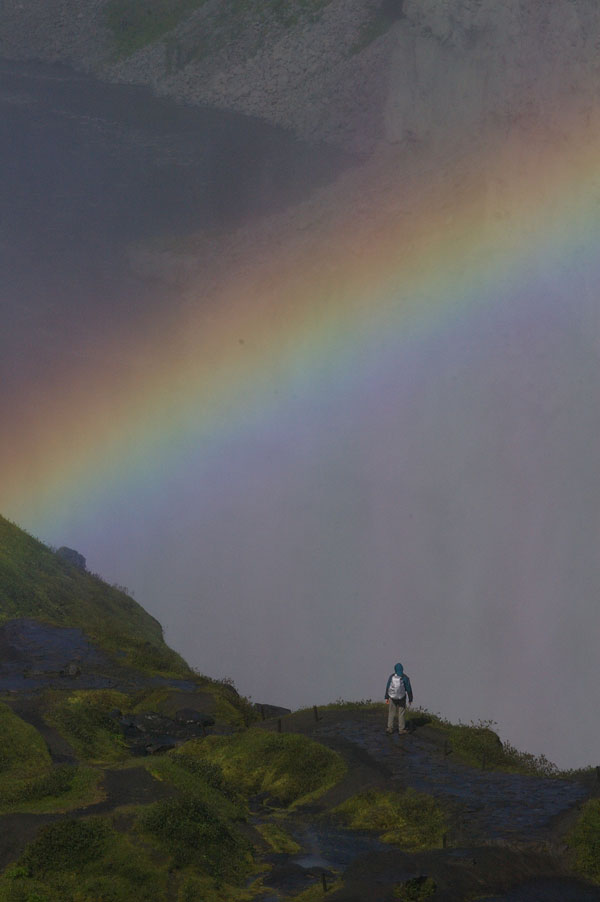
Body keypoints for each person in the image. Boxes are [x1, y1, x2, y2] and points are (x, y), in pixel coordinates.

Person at [384, 662, 413, 734]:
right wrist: (410, 699)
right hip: (402, 698)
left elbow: (388, 687)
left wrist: (387, 697)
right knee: (401, 713)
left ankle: (390, 728)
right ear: (402, 669)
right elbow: (409, 689)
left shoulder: (391, 677)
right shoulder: (405, 677)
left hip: (392, 697)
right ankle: (401, 729)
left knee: (391, 712)